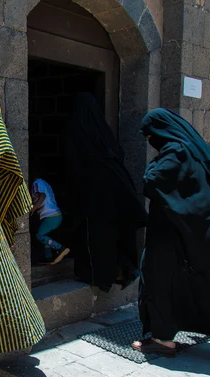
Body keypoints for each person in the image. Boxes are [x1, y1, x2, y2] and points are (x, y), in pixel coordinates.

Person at [132, 108, 210, 364]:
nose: (149, 141)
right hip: (206, 232)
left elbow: (152, 180)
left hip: (175, 235)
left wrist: (150, 168)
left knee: (158, 279)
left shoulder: (175, 151)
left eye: (149, 135)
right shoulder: (195, 150)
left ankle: (162, 340)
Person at [64, 93, 147, 292]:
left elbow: (73, 165)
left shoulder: (75, 130)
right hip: (114, 186)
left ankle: (98, 275)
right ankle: (118, 271)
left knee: (95, 236)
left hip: (94, 190)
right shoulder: (103, 131)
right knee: (112, 233)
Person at [30, 171, 70, 265]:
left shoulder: (37, 182)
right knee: (44, 235)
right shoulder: (45, 183)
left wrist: (33, 209)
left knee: (39, 235)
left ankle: (60, 248)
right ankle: (49, 257)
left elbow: (42, 196)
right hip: (55, 215)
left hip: (51, 216)